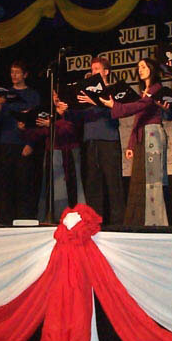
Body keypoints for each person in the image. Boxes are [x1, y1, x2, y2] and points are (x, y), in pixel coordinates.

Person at [100, 58, 168, 226]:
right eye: (138, 67)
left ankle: (155, 222)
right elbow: (138, 117)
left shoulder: (156, 88)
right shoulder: (144, 92)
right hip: (142, 136)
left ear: (152, 68)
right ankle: (139, 220)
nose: (140, 70)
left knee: (152, 180)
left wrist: (114, 105)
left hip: (152, 135)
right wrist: (131, 144)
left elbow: (138, 107)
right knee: (138, 180)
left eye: (143, 66)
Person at [71, 57, 126, 226]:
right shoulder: (86, 92)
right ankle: (94, 223)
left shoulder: (112, 90)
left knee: (113, 183)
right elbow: (79, 117)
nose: (93, 72)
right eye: (92, 69)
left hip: (109, 139)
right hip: (90, 140)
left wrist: (94, 101)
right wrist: (64, 109)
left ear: (106, 71)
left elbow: (116, 112)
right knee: (93, 184)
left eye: (97, 69)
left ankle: (117, 223)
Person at [21, 90, 86, 222]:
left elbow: (70, 130)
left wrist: (52, 124)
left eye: (57, 94)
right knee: (51, 186)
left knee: (73, 186)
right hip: (52, 151)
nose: (55, 97)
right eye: (53, 95)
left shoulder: (70, 110)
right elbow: (40, 132)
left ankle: (76, 216)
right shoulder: (49, 112)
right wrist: (25, 125)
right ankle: (54, 216)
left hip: (69, 153)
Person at [0, 60, 41, 224]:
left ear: (25, 75)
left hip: (23, 144)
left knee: (24, 185)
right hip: (6, 143)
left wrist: (31, 144)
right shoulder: (6, 94)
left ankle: (24, 220)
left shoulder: (32, 95)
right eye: (12, 72)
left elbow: (36, 123)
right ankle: (5, 221)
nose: (14, 75)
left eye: (17, 72)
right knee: (5, 185)